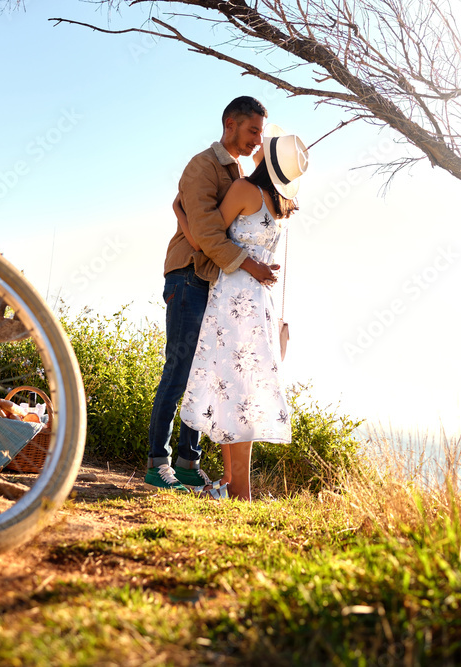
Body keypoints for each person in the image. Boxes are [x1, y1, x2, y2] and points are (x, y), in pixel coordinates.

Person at [145, 96, 282, 492]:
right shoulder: (202, 166)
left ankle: (189, 463)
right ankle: (159, 463)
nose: (258, 140)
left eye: (261, 132)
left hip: (215, 282)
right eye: (252, 130)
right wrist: (248, 264)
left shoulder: (238, 172)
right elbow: (206, 235)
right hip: (188, 275)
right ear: (230, 124)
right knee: (180, 369)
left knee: (209, 373)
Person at [178, 126, 309, 500]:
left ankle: (242, 492)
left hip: (233, 296)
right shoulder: (279, 205)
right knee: (239, 391)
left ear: (265, 158)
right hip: (259, 303)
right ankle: (235, 487)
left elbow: (205, 239)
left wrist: (180, 211)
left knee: (233, 389)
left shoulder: (243, 191)